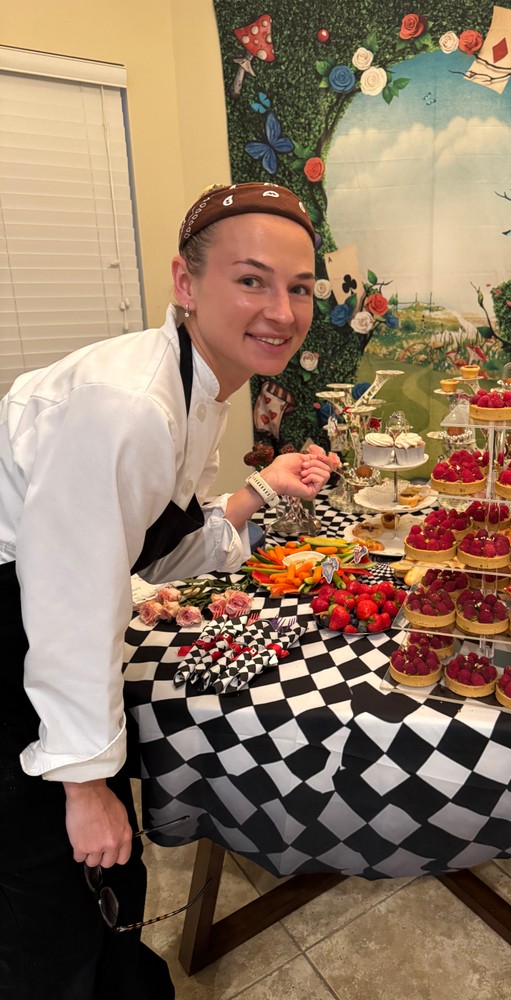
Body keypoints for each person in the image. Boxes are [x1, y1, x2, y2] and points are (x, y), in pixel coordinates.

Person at [0, 182, 332, 998]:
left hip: (48, 616)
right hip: (19, 618)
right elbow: (70, 600)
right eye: (251, 280)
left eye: (298, 288)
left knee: (102, 873)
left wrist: (260, 491)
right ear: (186, 284)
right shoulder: (130, 406)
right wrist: (82, 784)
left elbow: (161, 540)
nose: (281, 312)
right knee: (44, 876)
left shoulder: (199, 383)